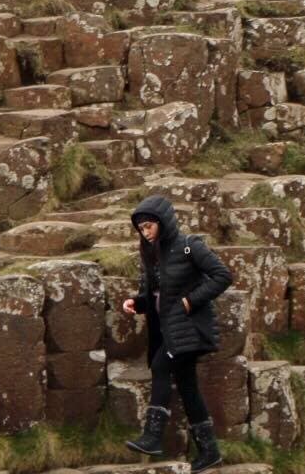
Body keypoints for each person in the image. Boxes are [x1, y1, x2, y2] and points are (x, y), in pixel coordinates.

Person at [120, 194, 232, 472]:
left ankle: (153, 437)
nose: (145, 232)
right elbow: (156, 295)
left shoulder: (188, 246)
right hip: (170, 330)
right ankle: (209, 452)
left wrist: (190, 301)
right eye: (141, 228)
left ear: (163, 222)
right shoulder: (150, 254)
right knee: (187, 387)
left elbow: (223, 276)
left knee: (160, 366)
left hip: (189, 329)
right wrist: (138, 302)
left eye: (149, 226)